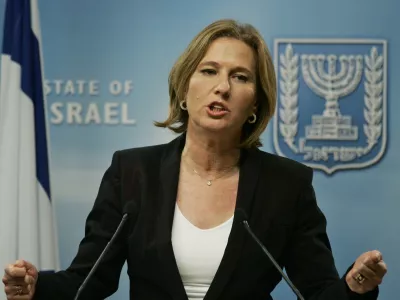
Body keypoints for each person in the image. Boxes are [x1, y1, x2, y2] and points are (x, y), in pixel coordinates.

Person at [3, 19, 387, 300]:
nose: (222, 86)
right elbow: (88, 280)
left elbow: (318, 290)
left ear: (255, 104)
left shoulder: (287, 184)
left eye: (240, 77)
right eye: (209, 71)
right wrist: (38, 287)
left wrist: (355, 286)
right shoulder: (133, 172)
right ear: (185, 89)